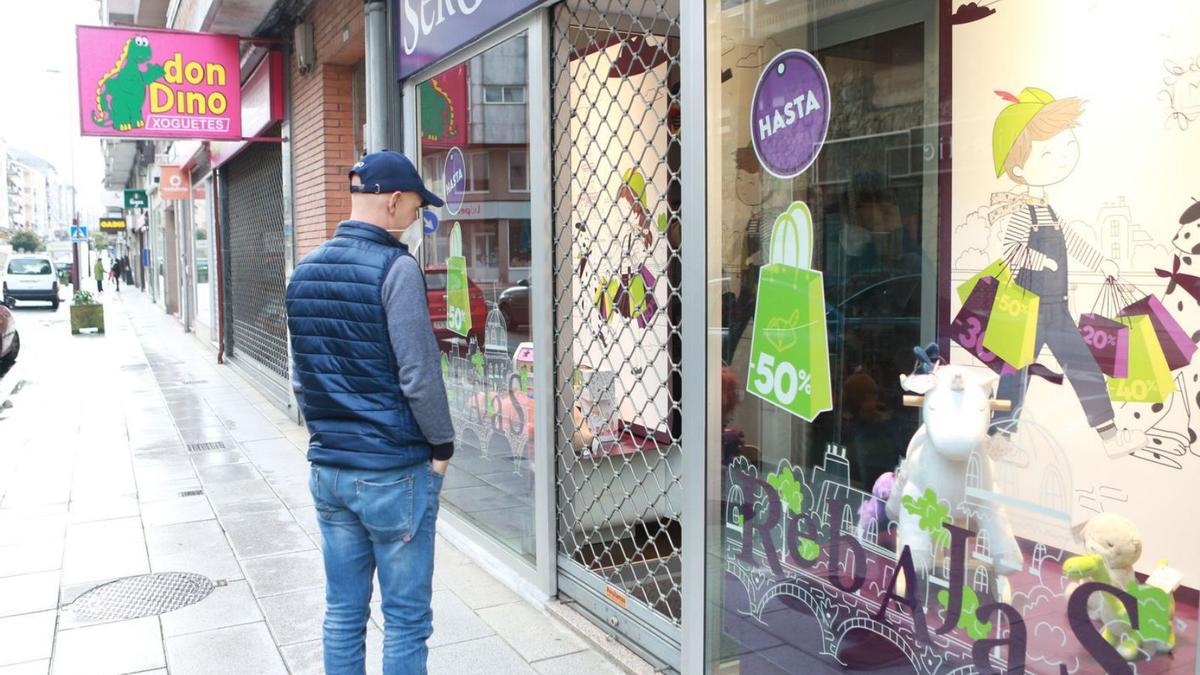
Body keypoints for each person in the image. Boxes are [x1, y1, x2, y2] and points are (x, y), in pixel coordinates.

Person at [284, 150, 453, 675]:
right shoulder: (396, 267)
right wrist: (442, 447)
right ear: (394, 200)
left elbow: (300, 378)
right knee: (404, 619)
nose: (416, 218)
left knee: (342, 612)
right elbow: (419, 376)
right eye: (415, 207)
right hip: (391, 472)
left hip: (329, 471)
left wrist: (332, 433)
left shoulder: (304, 270)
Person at [989, 87, 1143, 457]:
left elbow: (1073, 240)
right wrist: (1039, 261)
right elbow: (1011, 250)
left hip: (1056, 308)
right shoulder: (1022, 213)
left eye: (1063, 147)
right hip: (1027, 308)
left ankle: (1109, 436)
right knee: (1015, 374)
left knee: (1084, 367)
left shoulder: (1049, 211)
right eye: (1048, 152)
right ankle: (1000, 437)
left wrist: (1099, 262)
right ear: (1020, 166)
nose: (1061, 158)